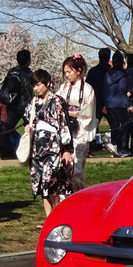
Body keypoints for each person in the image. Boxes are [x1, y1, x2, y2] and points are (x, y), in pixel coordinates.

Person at [24, 69, 74, 218]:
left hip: (53, 147)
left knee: (51, 182)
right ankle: (49, 217)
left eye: (38, 84)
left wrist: (65, 149)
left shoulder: (58, 101)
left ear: (46, 83)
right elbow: (28, 120)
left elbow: (64, 126)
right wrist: (28, 127)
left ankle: (58, 215)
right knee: (41, 183)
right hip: (37, 148)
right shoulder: (33, 103)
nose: (36, 88)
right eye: (34, 85)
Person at [57, 54, 96, 192]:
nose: (67, 75)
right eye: (65, 72)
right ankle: (66, 193)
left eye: (69, 71)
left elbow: (88, 113)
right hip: (65, 130)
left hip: (80, 132)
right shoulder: (63, 88)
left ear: (78, 70)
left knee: (77, 166)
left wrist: (71, 114)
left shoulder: (87, 89)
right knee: (64, 164)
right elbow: (56, 105)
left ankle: (78, 193)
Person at [0, 49, 33, 159]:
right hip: (25, 104)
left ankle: (1, 150)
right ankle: (32, 151)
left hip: (12, 104)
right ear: (28, 60)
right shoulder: (29, 73)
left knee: (7, 129)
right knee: (32, 127)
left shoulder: (12, 72)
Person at [103, 51, 129, 157]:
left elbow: (104, 89)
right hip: (120, 103)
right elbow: (123, 89)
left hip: (109, 103)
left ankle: (114, 145)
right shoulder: (122, 75)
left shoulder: (107, 74)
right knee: (124, 126)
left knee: (114, 126)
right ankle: (121, 148)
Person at [85, 48, 110, 130]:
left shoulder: (92, 71)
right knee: (115, 126)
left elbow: (87, 87)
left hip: (95, 101)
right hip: (109, 102)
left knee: (92, 127)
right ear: (109, 57)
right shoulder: (111, 71)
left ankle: (93, 142)